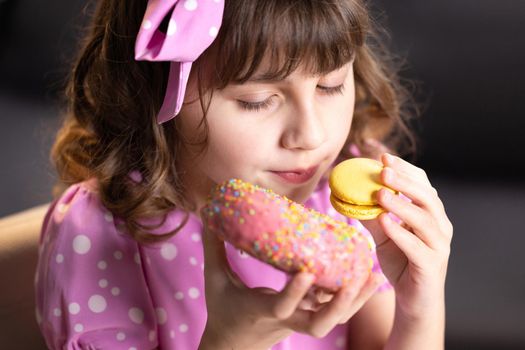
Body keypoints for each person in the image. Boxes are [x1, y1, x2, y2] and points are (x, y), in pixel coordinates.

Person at [35, 0, 453, 349]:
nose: (311, 135)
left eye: (330, 85)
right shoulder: (97, 234)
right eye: (256, 100)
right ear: (153, 97)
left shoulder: (343, 191)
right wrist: (228, 340)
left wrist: (420, 306)